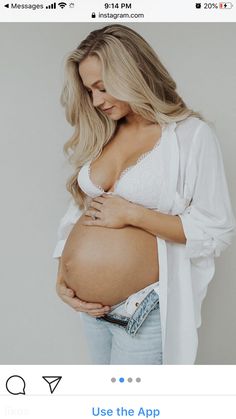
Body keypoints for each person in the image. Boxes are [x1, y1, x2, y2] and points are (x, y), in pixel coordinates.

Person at [53, 24, 235, 365]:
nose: (96, 101)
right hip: (92, 313)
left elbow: (216, 229)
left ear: (132, 74)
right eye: (89, 90)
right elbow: (78, 214)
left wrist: (132, 214)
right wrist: (63, 275)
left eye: (103, 88)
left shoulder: (190, 136)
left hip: (145, 310)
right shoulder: (103, 133)